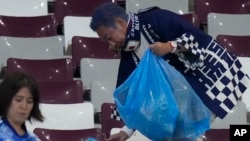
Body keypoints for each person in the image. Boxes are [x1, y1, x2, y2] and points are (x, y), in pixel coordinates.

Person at [90, 2, 250, 141]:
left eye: (108, 37)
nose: (110, 45)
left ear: (120, 23)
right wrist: (126, 131)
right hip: (179, 100)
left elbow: (195, 37)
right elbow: (138, 100)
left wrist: (171, 46)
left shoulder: (154, 19)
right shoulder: (128, 55)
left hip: (206, 83)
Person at [0, 72, 44, 141]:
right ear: (6, 99)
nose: (24, 106)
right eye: (18, 100)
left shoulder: (33, 139)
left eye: (29, 101)